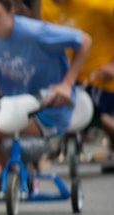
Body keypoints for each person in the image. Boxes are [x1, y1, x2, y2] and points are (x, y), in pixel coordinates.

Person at [0, 0, 91, 163]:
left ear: (10, 11)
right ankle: (13, 170)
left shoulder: (34, 32)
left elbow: (84, 40)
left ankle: (15, 170)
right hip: (11, 104)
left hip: (46, 109)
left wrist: (67, 84)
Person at [40, 0, 114, 173]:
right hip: (68, 77)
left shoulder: (100, 5)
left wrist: (112, 65)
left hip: (101, 78)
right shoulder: (47, 4)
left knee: (105, 120)